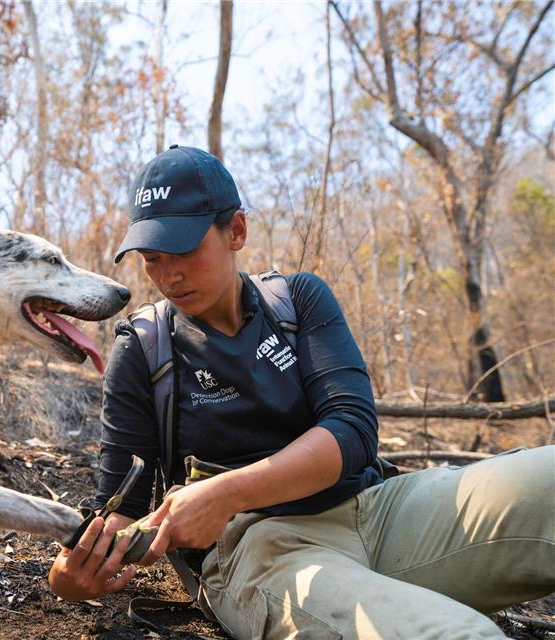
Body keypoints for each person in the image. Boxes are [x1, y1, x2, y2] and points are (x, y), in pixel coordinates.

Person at [48, 145, 555, 639]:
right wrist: (71, 576)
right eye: (152, 258)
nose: (168, 275)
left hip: (379, 510)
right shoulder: (144, 349)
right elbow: (123, 506)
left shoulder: (298, 300)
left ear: (237, 231)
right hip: (264, 552)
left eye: (183, 250)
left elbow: (352, 430)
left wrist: (225, 492)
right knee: (452, 632)